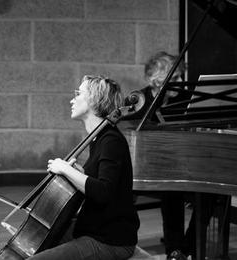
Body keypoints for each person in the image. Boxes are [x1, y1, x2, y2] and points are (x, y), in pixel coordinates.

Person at [28, 75, 140, 260]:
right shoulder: (98, 138)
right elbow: (99, 182)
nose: (72, 99)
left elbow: (104, 191)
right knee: (38, 241)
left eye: (78, 93)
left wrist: (66, 169)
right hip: (92, 229)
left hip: (111, 240)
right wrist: (81, 173)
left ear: (95, 100)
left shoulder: (111, 141)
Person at [122, 51, 215, 260]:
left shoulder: (186, 98)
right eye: (175, 78)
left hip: (185, 160)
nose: (181, 82)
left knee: (211, 193)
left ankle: (189, 248)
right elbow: (128, 131)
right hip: (150, 165)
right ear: (156, 80)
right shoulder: (139, 100)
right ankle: (174, 250)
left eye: (181, 76)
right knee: (171, 192)